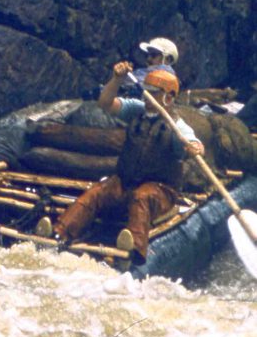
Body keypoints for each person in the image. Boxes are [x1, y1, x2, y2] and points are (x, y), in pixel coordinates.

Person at [38, 61, 204, 265]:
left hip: (160, 190)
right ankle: (59, 233)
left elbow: (194, 142)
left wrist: (195, 147)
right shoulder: (137, 110)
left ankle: (132, 251)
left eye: (153, 92)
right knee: (95, 193)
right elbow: (105, 103)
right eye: (146, 91)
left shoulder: (177, 125)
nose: (146, 96)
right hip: (125, 182)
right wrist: (116, 79)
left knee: (141, 197)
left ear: (168, 98)